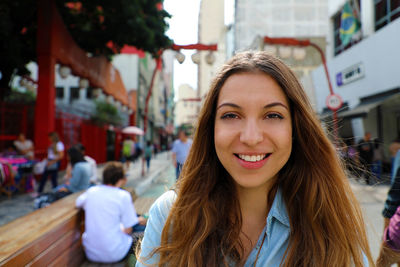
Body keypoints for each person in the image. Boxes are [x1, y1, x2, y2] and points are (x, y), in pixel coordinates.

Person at [136, 51, 373, 266]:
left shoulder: (331, 218)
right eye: (231, 115)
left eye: (272, 115)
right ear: (211, 128)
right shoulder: (170, 214)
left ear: (295, 129)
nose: (251, 137)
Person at [76, 161, 147, 263]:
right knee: (146, 232)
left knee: (136, 223)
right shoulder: (123, 195)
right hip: (115, 253)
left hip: (91, 253)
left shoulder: (92, 191)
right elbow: (128, 230)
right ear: (121, 179)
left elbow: (78, 202)